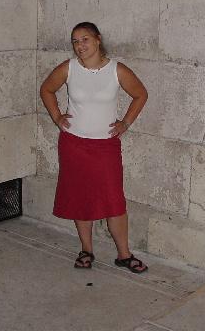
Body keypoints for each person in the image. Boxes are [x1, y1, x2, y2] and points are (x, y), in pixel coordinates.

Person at [39, 22, 149, 273]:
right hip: (73, 144)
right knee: (80, 197)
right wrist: (57, 117)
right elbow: (46, 89)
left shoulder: (116, 70)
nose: (80, 46)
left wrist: (125, 123)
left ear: (98, 39)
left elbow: (141, 94)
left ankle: (124, 254)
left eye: (85, 39)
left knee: (114, 201)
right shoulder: (69, 68)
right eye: (75, 41)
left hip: (105, 147)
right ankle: (86, 250)